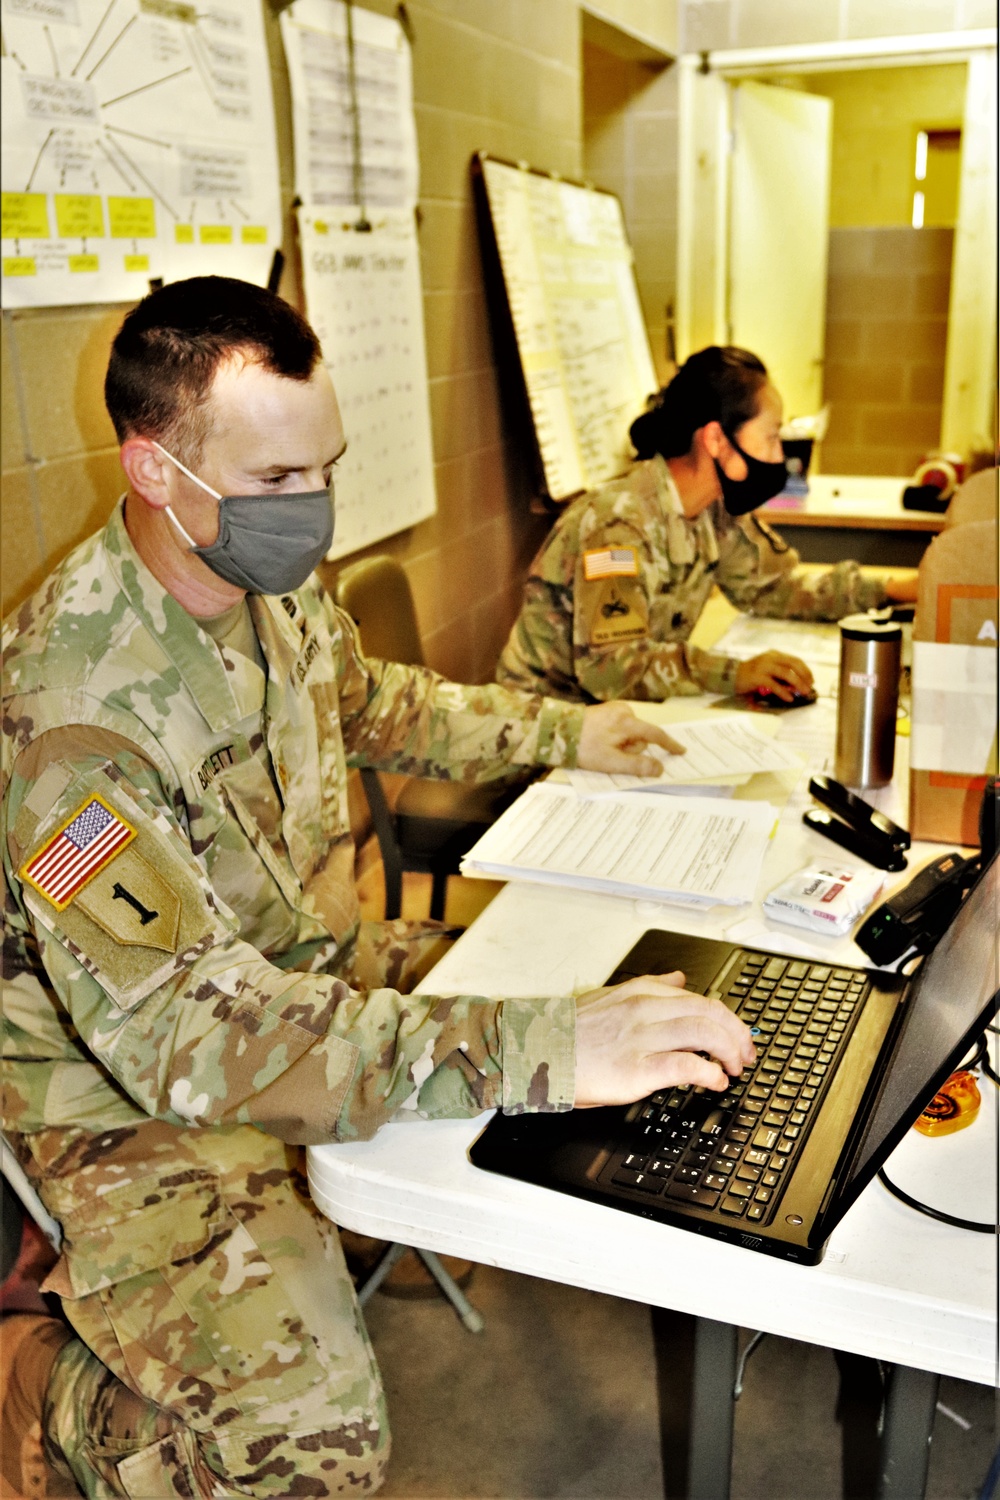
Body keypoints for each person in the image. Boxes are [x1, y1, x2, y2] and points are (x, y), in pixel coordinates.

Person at [0, 277, 756, 1500]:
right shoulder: (68, 717)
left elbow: (380, 704)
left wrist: (568, 734)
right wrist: (542, 1044)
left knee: (649, 997)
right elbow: (187, 1040)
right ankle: (38, 1384)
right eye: (279, 483)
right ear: (154, 471)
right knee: (309, 1452)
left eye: (326, 468)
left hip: (299, 977)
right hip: (126, 1086)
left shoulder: (269, 585)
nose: (316, 511)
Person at [496, 345, 918, 704]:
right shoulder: (616, 526)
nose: (778, 457)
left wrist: (892, 589)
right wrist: (733, 674)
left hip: (613, 723)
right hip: (545, 738)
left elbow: (775, 589)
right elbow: (612, 669)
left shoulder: (714, 508)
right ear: (715, 439)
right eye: (770, 437)